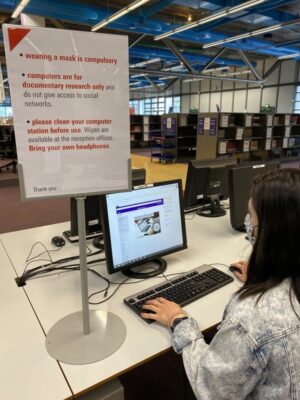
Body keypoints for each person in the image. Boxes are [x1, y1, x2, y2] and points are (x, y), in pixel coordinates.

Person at [141, 168, 300, 399]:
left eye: (251, 216)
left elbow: (212, 390)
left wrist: (178, 320)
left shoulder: (252, 317)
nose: (247, 222)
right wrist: (261, 276)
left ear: (268, 232)